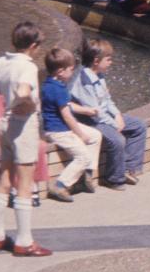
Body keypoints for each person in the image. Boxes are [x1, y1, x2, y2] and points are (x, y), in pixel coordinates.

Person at [0, 21, 50, 255]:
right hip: (23, 125)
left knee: (4, 179)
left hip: (4, 124)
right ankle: (24, 241)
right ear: (33, 45)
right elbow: (23, 91)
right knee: (25, 184)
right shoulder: (27, 66)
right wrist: (25, 103)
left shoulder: (2, 61)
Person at [70, 38, 146, 189]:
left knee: (139, 126)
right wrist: (113, 124)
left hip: (104, 116)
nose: (111, 62)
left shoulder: (99, 75)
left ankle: (128, 168)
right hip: (90, 119)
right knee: (117, 140)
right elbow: (94, 111)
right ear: (96, 61)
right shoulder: (84, 80)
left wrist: (117, 115)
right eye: (108, 59)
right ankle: (113, 178)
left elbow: (107, 100)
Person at [39, 47, 103, 202]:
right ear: (61, 71)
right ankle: (60, 186)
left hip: (61, 126)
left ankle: (86, 176)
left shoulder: (50, 84)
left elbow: (67, 105)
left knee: (96, 135)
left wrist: (87, 110)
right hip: (58, 131)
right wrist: (80, 135)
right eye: (71, 69)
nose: (73, 72)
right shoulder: (58, 89)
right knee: (83, 156)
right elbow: (67, 116)